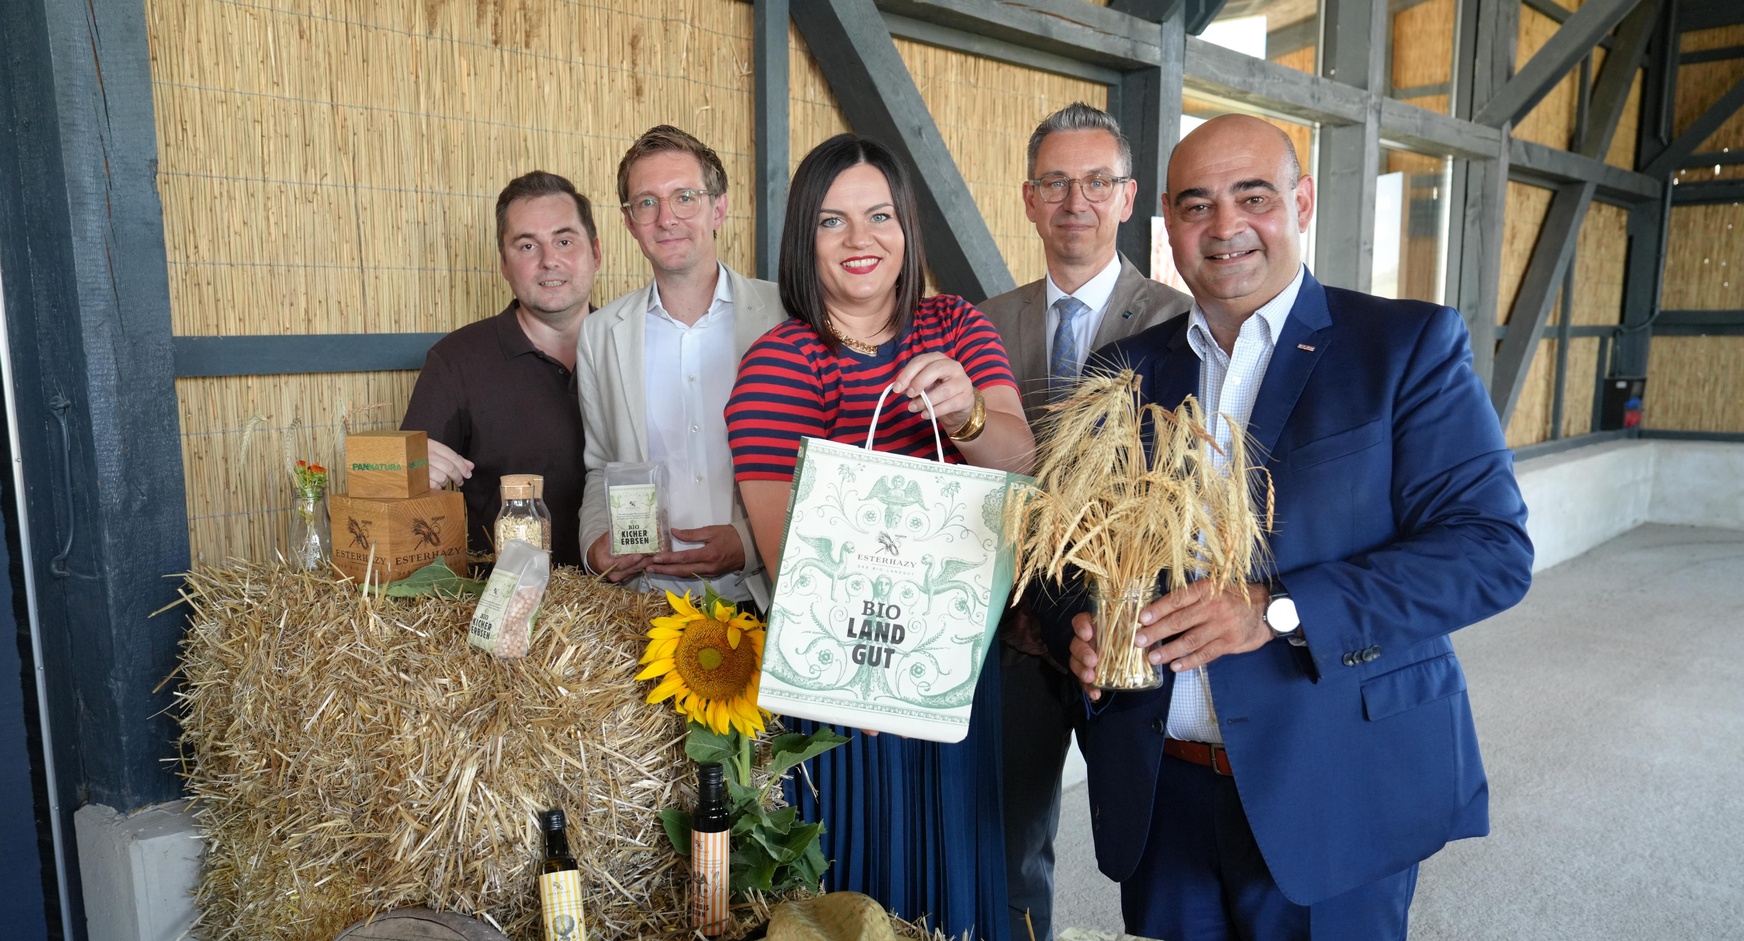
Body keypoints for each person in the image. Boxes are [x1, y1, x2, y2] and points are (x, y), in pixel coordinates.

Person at [1040, 114, 1534, 941]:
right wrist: (1076, 633)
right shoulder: (1120, 371)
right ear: (1168, 221)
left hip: (1333, 784)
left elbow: (1491, 552)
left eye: (1253, 196)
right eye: (1197, 206)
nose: (1225, 227)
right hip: (1164, 791)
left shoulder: (1405, 346)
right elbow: (1066, 552)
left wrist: (1275, 607)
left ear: (1301, 201)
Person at [726, 134, 1034, 941]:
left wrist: (967, 411)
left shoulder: (955, 324)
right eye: (833, 221)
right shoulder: (779, 362)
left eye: (879, 216)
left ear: (908, 227)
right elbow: (785, 553)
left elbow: (1018, 461)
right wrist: (859, 677)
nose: (860, 240)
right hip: (851, 680)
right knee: (864, 889)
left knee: (960, 874)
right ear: (804, 239)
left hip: (953, 666)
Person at [976, 101, 1192, 941]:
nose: (1077, 201)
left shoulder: (1183, 324)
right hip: (1014, 630)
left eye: (1097, 182)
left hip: (1129, 638)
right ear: (1029, 199)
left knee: (1156, 840)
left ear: (1129, 195)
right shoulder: (980, 322)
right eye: (1056, 183)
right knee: (1009, 843)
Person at [576, 126, 784, 608]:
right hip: (647, 603)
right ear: (629, 222)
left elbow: (822, 466)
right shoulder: (601, 333)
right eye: (646, 203)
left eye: (684, 197)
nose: (666, 218)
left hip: (766, 595)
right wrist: (593, 546)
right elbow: (599, 468)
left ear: (719, 208)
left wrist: (748, 544)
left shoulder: (784, 315)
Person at [402, 170, 599, 566]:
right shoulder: (456, 361)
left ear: (595, 252)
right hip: (497, 601)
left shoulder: (636, 347)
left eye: (564, 241)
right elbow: (403, 487)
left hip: (629, 594)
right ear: (504, 265)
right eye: (527, 246)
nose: (549, 260)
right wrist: (409, 468)